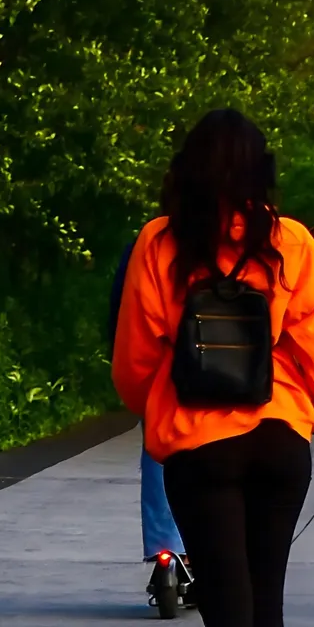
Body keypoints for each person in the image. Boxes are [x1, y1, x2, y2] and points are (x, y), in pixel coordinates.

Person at [113, 109, 314, 627]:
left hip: (199, 447)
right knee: (265, 600)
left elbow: (134, 362)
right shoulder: (289, 244)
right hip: (280, 441)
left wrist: (157, 410)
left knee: (226, 602)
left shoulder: (159, 244)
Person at [110, 165, 187, 573]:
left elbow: (122, 315)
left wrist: (135, 386)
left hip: (164, 374)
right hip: (235, 379)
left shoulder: (150, 241)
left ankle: (165, 547)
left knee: (158, 456)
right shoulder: (261, 240)